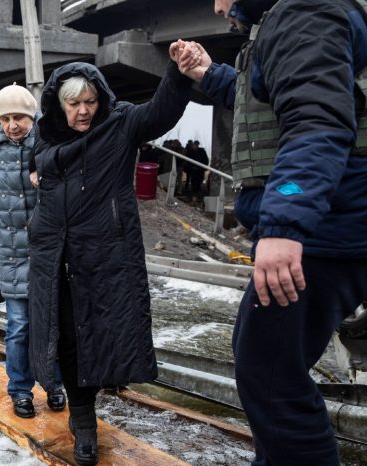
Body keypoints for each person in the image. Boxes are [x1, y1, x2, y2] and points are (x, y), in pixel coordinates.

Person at [176, 1, 367, 464]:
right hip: (335, 222)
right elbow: (265, 100)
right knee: (267, 365)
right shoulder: (294, 17)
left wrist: (284, 227)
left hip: (326, 228)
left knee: (270, 375)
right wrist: (206, 72)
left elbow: (316, 120)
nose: (220, 7)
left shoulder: (305, 10)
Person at [28, 49, 195, 464]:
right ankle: (83, 420)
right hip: (54, 256)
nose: (84, 112)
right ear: (58, 105)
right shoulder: (44, 135)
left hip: (104, 254)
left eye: (90, 102)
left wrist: (178, 73)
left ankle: (93, 404)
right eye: (74, 104)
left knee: (100, 333)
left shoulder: (119, 124)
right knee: (64, 337)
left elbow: (161, 112)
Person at [0, 84, 66, 419]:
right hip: (11, 250)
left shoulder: (49, 138)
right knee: (19, 326)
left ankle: (54, 384)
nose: (13, 125)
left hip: (46, 249)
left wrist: (45, 170)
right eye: (6, 118)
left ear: (32, 116)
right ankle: (21, 391)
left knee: (51, 324)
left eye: (19, 118)